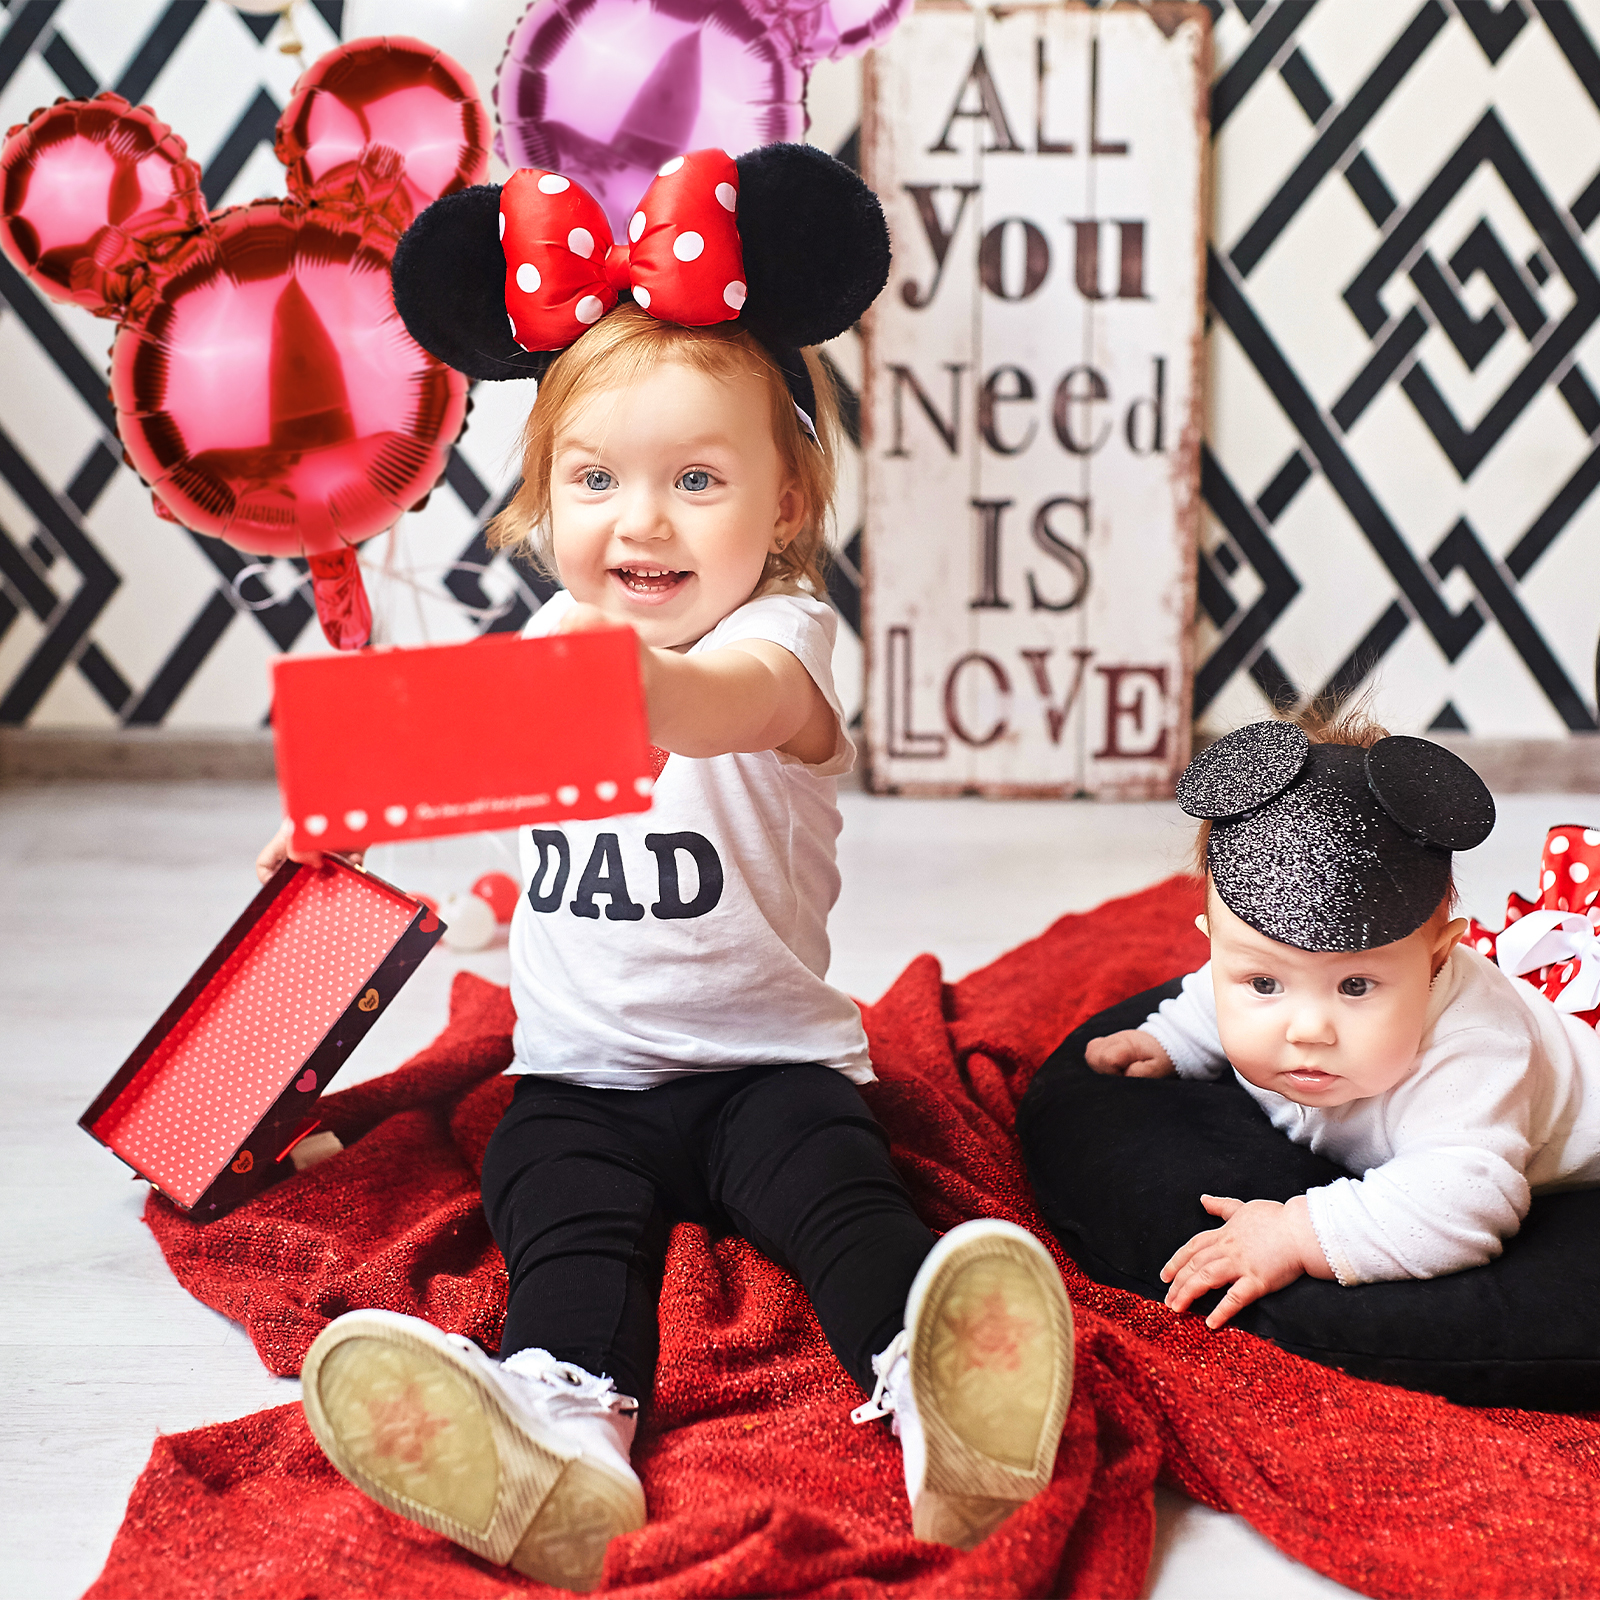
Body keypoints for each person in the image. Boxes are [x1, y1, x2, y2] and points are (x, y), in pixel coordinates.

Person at [257, 145, 1073, 1593]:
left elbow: (721, 705)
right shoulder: (543, 647)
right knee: (558, 1228)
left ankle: (939, 1392)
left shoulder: (785, 642)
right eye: (596, 480)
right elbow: (452, 777)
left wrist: (629, 682)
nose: (641, 521)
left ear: (786, 504)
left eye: (698, 479)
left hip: (770, 1066)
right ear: (542, 498)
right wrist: (344, 820)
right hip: (584, 1074)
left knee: (847, 1201)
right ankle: (560, 1439)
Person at [1084, 712, 1600, 1332]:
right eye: (1265, 984)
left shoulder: (1473, 1054)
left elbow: (1466, 1200)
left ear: (1437, 961)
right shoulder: (1237, 976)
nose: (1308, 1030)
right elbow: (1211, 990)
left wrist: (1297, 1232)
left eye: (1356, 986)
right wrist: (1171, 1039)